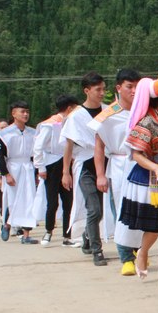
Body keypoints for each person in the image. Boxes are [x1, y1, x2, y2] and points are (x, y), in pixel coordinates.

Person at [121, 72, 158, 284]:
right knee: (154, 227)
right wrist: (156, 167)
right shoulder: (147, 122)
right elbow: (136, 154)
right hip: (151, 179)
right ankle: (143, 253)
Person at [90, 69, 142, 276]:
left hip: (140, 164)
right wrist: (100, 174)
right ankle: (126, 257)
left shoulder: (143, 109)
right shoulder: (107, 115)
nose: (134, 91)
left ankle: (138, 250)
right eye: (130, 87)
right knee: (121, 211)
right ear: (119, 88)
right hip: (119, 164)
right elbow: (99, 147)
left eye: (137, 87)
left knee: (140, 210)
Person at [61, 72, 108, 266]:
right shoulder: (76, 116)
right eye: (98, 90)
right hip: (86, 167)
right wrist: (65, 172)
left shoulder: (108, 111)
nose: (102, 93)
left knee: (102, 210)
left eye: (104, 89)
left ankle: (88, 238)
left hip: (105, 163)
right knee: (94, 209)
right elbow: (69, 146)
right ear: (87, 91)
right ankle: (97, 250)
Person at [34, 95, 77, 246]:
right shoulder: (50, 124)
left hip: (67, 162)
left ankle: (67, 235)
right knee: (52, 201)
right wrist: (40, 167)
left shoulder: (71, 123)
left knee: (68, 200)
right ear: (69, 108)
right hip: (52, 163)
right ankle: (48, 231)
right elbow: (38, 146)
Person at [0, 101, 39, 244]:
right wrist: (6, 174)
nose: (25, 114)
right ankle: (7, 224)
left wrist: (38, 171)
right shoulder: (4, 134)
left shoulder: (33, 132)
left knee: (29, 200)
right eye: (22, 111)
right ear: (14, 113)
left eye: (27, 111)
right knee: (13, 200)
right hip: (13, 167)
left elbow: (36, 154)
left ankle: (26, 235)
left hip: (27, 167)